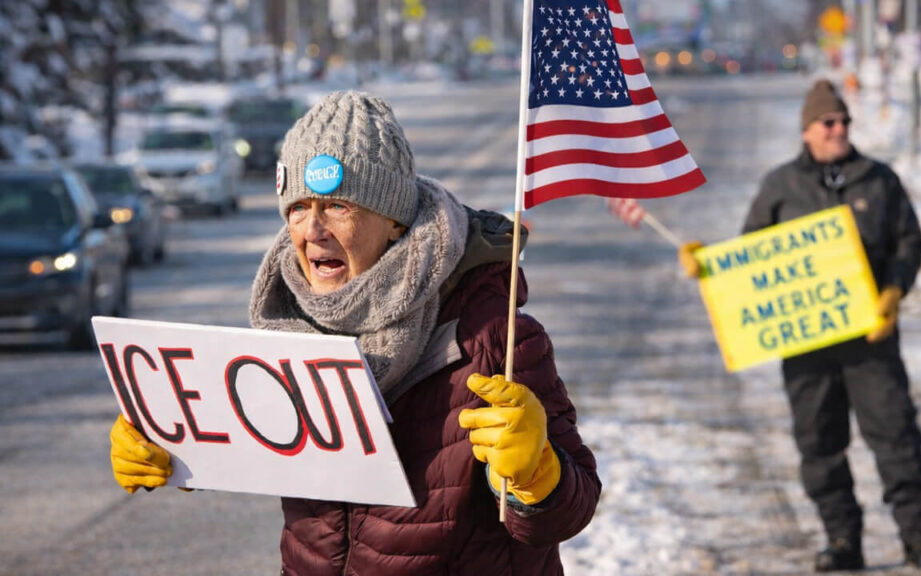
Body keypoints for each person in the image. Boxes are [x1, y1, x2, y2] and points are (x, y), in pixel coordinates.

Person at [109, 90, 601, 575]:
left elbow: (571, 509)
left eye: (338, 206)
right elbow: (240, 438)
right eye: (298, 207)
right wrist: (166, 437)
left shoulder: (493, 334)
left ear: (393, 221)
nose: (312, 230)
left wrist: (538, 473)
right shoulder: (289, 324)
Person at [679, 79, 921, 573]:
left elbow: (908, 243)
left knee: (896, 437)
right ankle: (842, 540)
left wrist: (894, 291)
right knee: (819, 443)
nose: (839, 129)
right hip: (806, 345)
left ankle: (920, 541)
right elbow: (751, 259)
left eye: (844, 121)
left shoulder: (879, 179)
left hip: (872, 341)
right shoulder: (781, 186)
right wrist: (708, 265)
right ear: (808, 130)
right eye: (830, 122)